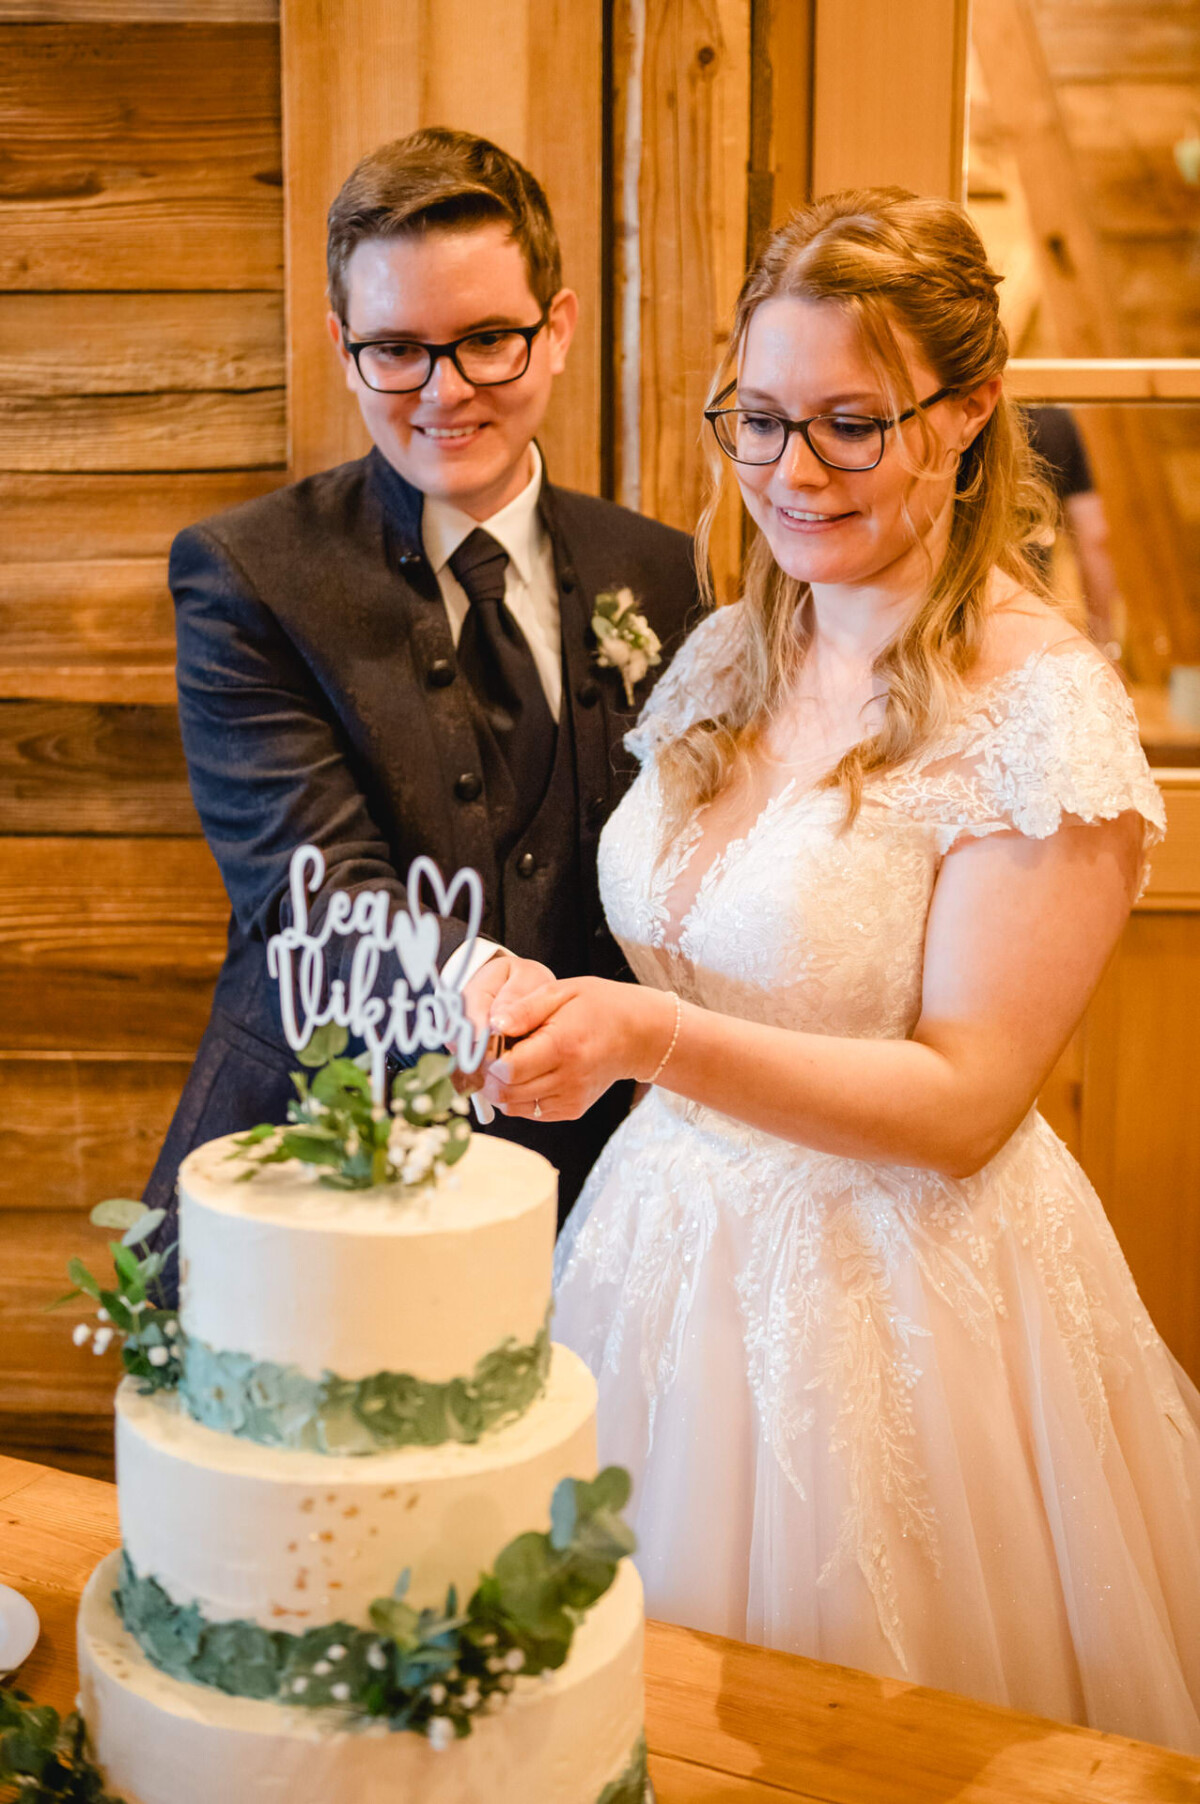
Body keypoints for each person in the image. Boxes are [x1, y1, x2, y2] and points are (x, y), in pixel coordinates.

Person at [479, 190, 1200, 1747]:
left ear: (970, 410)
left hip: (898, 1316)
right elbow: (685, 943)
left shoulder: (1039, 713)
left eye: (852, 426)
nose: (792, 475)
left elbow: (965, 1105)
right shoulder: (737, 648)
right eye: (759, 420)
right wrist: (550, 1009)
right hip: (656, 1259)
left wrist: (651, 1039)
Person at [143, 128, 699, 1263]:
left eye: (488, 339)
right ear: (343, 349)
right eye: (397, 349)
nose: (446, 392)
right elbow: (310, 892)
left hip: (597, 1189)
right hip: (315, 1167)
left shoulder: (663, 573)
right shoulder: (246, 575)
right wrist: (482, 980)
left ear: (558, 329)